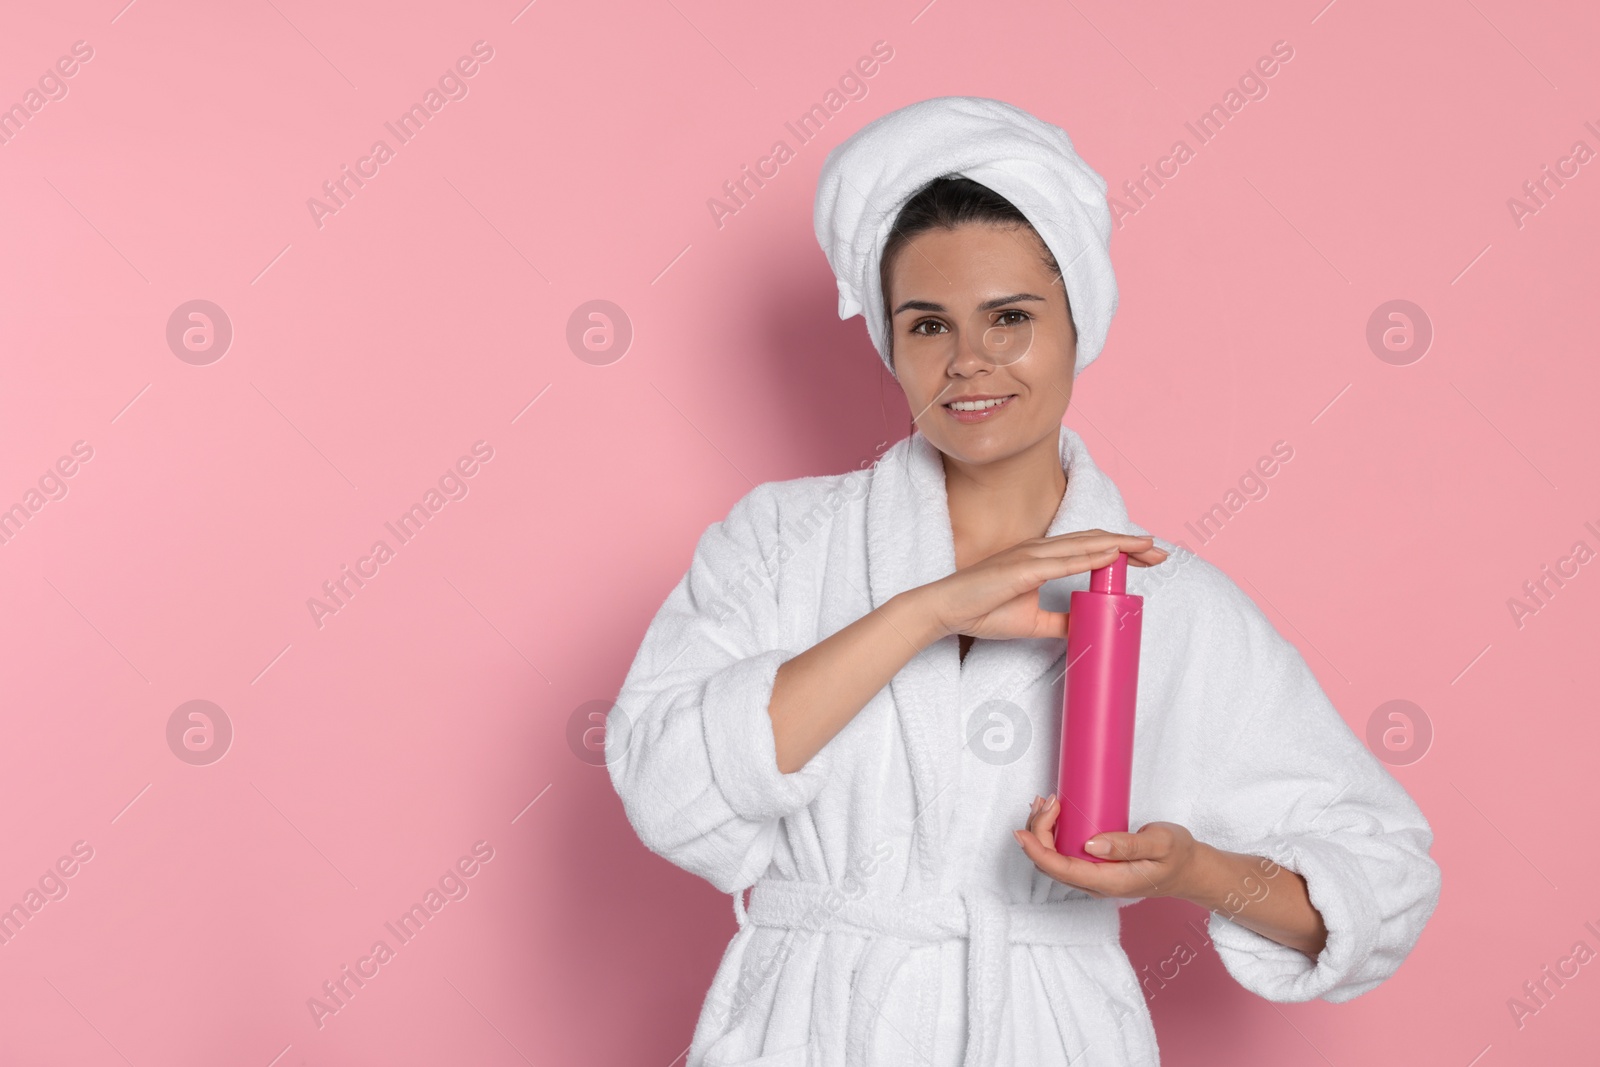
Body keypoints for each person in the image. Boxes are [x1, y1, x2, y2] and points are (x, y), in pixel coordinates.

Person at [606, 96, 1441, 1067]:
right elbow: (666, 789)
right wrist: (922, 611)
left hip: (1048, 1028)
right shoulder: (782, 541)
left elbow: (1379, 883)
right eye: (927, 325)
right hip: (806, 1026)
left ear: (1075, 321)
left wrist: (1190, 869)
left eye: (1010, 316)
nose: (969, 360)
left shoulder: (1160, 600)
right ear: (889, 340)